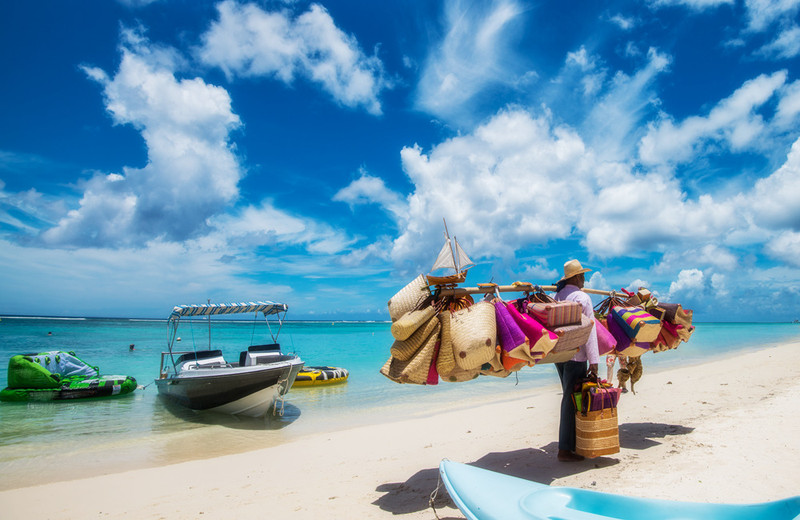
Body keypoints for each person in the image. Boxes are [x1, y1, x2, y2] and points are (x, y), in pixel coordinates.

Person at [553, 259, 600, 462]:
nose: (585, 279)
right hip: (577, 355)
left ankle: (572, 444)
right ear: (577, 277)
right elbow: (589, 330)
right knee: (570, 400)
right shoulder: (582, 298)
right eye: (583, 276)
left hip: (560, 355)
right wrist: (594, 361)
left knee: (569, 397)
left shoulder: (557, 296)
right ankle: (565, 449)